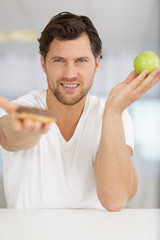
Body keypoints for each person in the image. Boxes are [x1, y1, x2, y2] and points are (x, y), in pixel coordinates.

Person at [0, 12, 160, 211]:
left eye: (81, 61)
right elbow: (9, 134)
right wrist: (23, 130)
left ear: (97, 64)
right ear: (43, 64)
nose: (69, 74)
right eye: (59, 60)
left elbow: (115, 200)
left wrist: (112, 112)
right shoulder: (22, 108)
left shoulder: (115, 115)